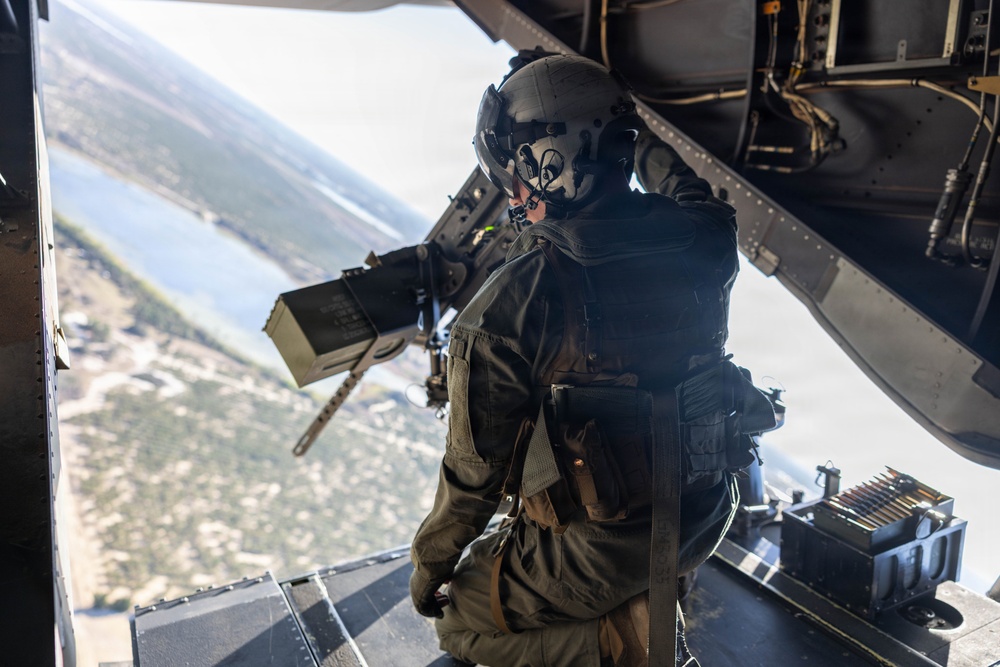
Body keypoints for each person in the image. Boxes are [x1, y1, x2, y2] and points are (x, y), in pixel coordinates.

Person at [410, 53, 768, 666]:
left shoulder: (515, 300)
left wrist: (429, 568)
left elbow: (475, 478)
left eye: (517, 179)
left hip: (606, 545)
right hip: (704, 511)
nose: (516, 198)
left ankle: (617, 641)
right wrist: (616, 124)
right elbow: (684, 185)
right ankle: (637, 598)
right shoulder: (708, 238)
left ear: (550, 166)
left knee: (457, 622)